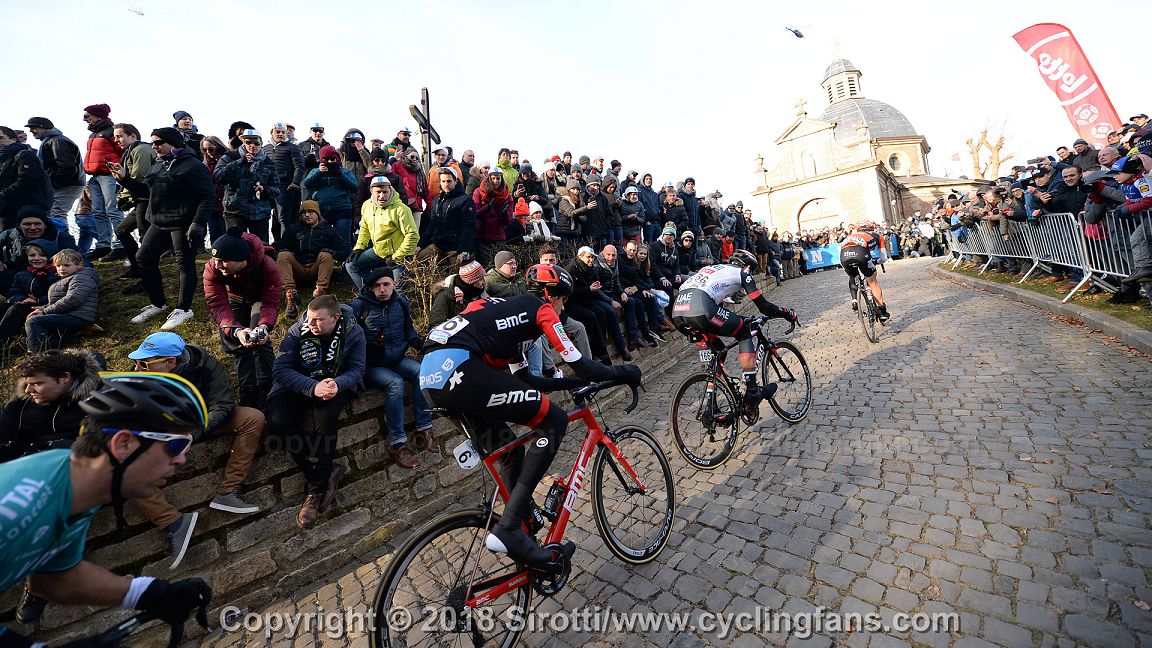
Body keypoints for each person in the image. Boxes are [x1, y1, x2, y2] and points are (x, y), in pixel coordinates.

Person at [419, 263, 640, 568]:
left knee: (510, 453)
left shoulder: (508, 316)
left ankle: (521, 528)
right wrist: (625, 372)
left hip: (432, 376)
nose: (563, 309)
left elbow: (526, 381)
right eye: (564, 301)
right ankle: (510, 527)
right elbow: (581, 364)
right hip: (459, 368)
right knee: (555, 420)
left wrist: (575, 383)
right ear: (552, 296)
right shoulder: (541, 309)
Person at [0, 373, 212, 647]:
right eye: (175, 445)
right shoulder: (19, 505)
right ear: (123, 444)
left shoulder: (75, 484)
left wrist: (151, 594)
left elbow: (57, 579)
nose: (182, 459)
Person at [127, 332, 266, 556]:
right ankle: (173, 523)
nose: (137, 368)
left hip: (198, 421)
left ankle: (229, 491)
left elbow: (223, 404)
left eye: (143, 363)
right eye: (136, 362)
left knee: (252, 418)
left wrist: (193, 432)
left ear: (170, 362)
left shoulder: (206, 365)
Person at [267, 296, 365, 529]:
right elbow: (280, 369)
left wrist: (338, 384)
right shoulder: (298, 331)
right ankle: (324, 473)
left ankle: (315, 491)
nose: (310, 324)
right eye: (309, 318)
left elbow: (358, 368)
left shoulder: (353, 332)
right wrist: (312, 387)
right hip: (299, 383)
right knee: (278, 421)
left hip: (333, 383)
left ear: (335, 318)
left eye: (318, 320)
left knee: (325, 419)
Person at [113, 127, 215, 330]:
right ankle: (158, 303)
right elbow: (147, 191)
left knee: (184, 264)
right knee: (143, 258)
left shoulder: (193, 165)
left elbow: (207, 197)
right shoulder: (159, 165)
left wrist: (197, 223)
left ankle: (183, 309)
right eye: (153, 142)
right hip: (159, 221)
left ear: (173, 142)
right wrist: (125, 179)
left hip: (183, 223)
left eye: (159, 142)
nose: (154, 147)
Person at [672, 249, 798, 412]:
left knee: (718, 351)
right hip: (701, 307)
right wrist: (786, 313)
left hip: (678, 313)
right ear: (748, 266)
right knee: (744, 331)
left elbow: (718, 310)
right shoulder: (743, 272)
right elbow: (764, 307)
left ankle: (711, 406)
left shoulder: (712, 269)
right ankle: (752, 391)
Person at [352, 268, 431, 469]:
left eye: (386, 284)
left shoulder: (401, 302)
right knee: (396, 384)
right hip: (372, 365)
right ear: (370, 288)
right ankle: (398, 444)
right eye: (377, 286)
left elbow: (408, 328)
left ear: (393, 284)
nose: (382, 289)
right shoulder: (360, 306)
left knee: (422, 371)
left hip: (397, 358)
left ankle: (424, 428)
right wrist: (368, 346)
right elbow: (349, 340)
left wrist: (416, 341)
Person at [204, 227, 281, 409]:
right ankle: (248, 394)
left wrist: (264, 326)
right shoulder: (212, 268)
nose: (218, 265)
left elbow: (270, 304)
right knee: (238, 342)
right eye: (216, 260)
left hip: (259, 298)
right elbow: (217, 304)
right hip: (235, 297)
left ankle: (269, 391)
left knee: (259, 341)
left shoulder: (268, 267)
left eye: (223, 261)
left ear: (241, 259)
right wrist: (235, 330)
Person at [277, 200, 349, 319]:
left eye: (310, 212)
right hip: (298, 269)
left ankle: (320, 292)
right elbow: (280, 246)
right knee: (283, 255)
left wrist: (334, 253)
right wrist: (287, 251)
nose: (307, 215)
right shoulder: (293, 229)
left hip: (317, 269)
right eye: (303, 212)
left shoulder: (329, 230)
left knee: (326, 254)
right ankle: (290, 295)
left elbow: (345, 251)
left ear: (318, 214)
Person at [347, 176, 418, 290]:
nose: (382, 196)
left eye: (385, 192)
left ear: (390, 190)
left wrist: (396, 257)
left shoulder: (401, 209)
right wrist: (359, 247)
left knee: (397, 291)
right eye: (378, 192)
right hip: (379, 252)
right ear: (371, 191)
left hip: (401, 255)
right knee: (351, 265)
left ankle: (395, 298)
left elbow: (412, 235)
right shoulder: (367, 206)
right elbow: (364, 228)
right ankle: (368, 293)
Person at [214, 129, 280, 243]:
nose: (252, 145)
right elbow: (218, 177)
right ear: (243, 142)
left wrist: (264, 190)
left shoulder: (268, 162)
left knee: (261, 247)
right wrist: (240, 162)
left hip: (259, 212)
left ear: (261, 143)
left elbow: (276, 189)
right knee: (235, 245)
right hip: (234, 211)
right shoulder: (230, 156)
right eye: (248, 142)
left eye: (256, 142)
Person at [25, 249, 98, 351]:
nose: (62, 268)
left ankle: (35, 353)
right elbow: (56, 301)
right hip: (67, 315)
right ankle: (47, 352)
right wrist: (42, 308)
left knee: (33, 322)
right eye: (58, 266)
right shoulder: (64, 279)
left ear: (80, 265)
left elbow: (73, 299)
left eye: (66, 265)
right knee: (51, 339)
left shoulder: (81, 278)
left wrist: (45, 311)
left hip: (76, 317)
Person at [80, 104, 126, 260]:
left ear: (98, 115)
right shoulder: (93, 135)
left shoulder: (111, 132)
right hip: (95, 176)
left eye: (87, 116)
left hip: (109, 176)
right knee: (98, 212)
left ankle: (121, 245)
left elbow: (123, 151)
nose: (85, 119)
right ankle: (103, 245)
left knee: (113, 210)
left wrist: (119, 170)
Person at [0, 206, 77, 295]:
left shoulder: (61, 237)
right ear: (19, 225)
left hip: (53, 277)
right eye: (27, 224)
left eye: (37, 224)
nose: (32, 227)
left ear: (45, 225)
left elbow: (77, 258)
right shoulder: (8, 235)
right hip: (18, 275)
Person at [24, 118, 85, 225]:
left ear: (44, 127)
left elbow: (67, 167)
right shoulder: (51, 141)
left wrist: (54, 183)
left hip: (66, 185)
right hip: (63, 184)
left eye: (34, 127)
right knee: (52, 214)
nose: (31, 131)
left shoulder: (58, 141)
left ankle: (61, 235)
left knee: (56, 213)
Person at [0, 238, 58, 345]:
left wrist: (38, 300)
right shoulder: (22, 274)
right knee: (4, 306)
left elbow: (59, 294)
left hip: (47, 307)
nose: (36, 258)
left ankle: (2, 342)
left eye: (42, 255)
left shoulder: (56, 274)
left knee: (16, 309)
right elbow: (13, 292)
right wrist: (22, 299)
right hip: (26, 304)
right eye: (32, 255)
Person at [417, 167, 476, 267]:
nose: (446, 184)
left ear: (456, 181)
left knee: (459, 272)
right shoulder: (437, 201)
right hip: (438, 244)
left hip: (455, 247)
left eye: (449, 181)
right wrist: (421, 245)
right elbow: (432, 225)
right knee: (418, 259)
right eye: (443, 181)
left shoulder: (465, 201)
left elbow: (469, 228)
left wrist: (463, 250)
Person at [300, 145, 358, 247]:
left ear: (337, 159)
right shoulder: (315, 171)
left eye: (332, 159)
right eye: (326, 160)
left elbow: (354, 187)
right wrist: (319, 173)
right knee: (321, 241)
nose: (330, 162)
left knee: (343, 241)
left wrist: (340, 174)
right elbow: (306, 184)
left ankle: (345, 257)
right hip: (322, 210)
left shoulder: (345, 171)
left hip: (342, 209)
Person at [0, 126, 53, 233]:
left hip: (25, 211)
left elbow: (27, 182)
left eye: (1, 138)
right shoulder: (4, 159)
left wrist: (2, 195)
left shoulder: (25, 155)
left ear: (13, 139)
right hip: (8, 210)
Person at [840, 220, 890, 322]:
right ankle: (882, 311)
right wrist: (876, 261)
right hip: (861, 253)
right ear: (871, 228)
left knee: (853, 276)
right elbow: (883, 258)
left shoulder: (851, 236)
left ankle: (854, 300)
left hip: (844, 255)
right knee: (872, 281)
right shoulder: (878, 235)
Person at [263, 123, 305, 243]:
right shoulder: (265, 148)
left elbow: (299, 166)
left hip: (284, 186)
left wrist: (295, 182)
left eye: (283, 132)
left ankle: (285, 245)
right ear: (272, 133)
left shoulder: (293, 147)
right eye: (278, 132)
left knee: (284, 218)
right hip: (267, 187)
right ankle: (272, 244)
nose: (280, 134)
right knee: (266, 216)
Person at [428, 260, 488, 328]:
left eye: (483, 278)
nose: (483, 282)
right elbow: (435, 325)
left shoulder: (482, 292)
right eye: (479, 279)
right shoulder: (445, 296)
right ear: (469, 282)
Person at [472, 167, 513, 266]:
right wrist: (487, 207)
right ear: (489, 178)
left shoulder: (507, 196)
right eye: (493, 178)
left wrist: (504, 213)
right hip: (482, 236)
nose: (496, 181)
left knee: (500, 266)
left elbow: (508, 221)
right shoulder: (479, 192)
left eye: (498, 178)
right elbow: (475, 214)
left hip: (499, 236)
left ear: (501, 179)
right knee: (486, 266)